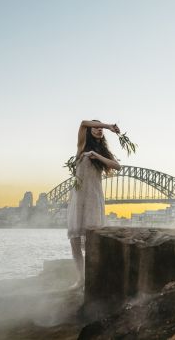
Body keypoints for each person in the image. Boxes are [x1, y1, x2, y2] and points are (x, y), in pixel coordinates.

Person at [67, 120, 121, 288]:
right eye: (95, 128)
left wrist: (97, 156)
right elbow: (83, 123)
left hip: (93, 198)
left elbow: (117, 166)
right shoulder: (81, 146)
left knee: (92, 240)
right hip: (78, 198)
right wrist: (108, 126)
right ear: (89, 132)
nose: (98, 130)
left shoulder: (101, 152)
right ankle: (80, 279)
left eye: (100, 128)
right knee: (75, 240)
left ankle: (93, 278)